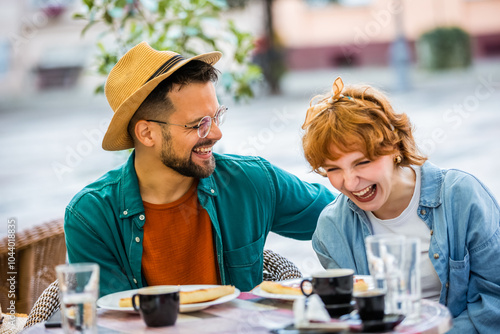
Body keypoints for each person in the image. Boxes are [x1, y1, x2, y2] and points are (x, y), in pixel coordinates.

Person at [64, 41, 335, 297]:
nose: (216, 133)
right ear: (147, 133)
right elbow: (115, 321)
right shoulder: (91, 216)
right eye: (199, 124)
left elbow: (344, 215)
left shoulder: (251, 181)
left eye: (217, 116)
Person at [301, 77, 500, 333]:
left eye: (362, 163)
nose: (350, 182)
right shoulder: (332, 229)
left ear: (394, 147)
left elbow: (494, 300)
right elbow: (349, 317)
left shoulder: (461, 196)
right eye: (333, 168)